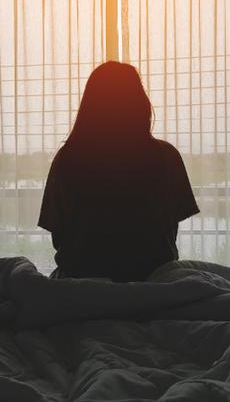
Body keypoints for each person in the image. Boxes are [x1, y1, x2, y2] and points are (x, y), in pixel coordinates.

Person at [38, 61, 199, 282]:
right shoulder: (167, 157)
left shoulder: (67, 159)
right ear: (140, 103)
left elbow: (58, 233)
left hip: (80, 283)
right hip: (152, 282)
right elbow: (171, 226)